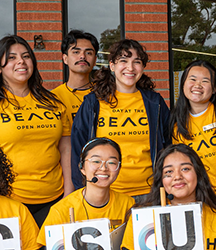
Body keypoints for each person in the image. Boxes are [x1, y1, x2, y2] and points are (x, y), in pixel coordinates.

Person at [0, 35, 68, 226]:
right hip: (9, 200)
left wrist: (69, 193)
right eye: (12, 57)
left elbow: (65, 149)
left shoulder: (53, 102)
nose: (21, 61)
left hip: (55, 198)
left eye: (26, 56)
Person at [70, 39, 172, 202]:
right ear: (112, 66)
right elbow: (78, 151)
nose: (130, 68)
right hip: (106, 193)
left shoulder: (155, 102)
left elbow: (169, 146)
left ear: (143, 67)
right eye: (123, 61)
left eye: (136, 62)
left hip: (150, 193)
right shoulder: (93, 103)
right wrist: (83, 191)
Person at [170, 60, 216, 208]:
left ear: (215, 88)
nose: (198, 85)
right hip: (193, 200)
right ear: (183, 83)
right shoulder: (176, 121)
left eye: (205, 81)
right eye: (192, 79)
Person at [51, 31, 99, 181]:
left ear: (96, 59)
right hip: (63, 175)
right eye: (76, 52)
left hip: (101, 171)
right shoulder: (51, 99)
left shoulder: (105, 96)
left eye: (88, 52)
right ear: (65, 58)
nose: (82, 57)